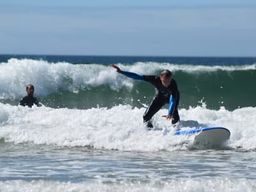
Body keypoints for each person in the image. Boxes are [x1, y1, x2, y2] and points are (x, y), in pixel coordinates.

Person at [112, 64, 180, 128]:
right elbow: (137, 76)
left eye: (169, 81)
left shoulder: (173, 84)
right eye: (165, 81)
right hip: (160, 97)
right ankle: (151, 131)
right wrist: (121, 72)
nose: (167, 83)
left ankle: (175, 130)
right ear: (160, 78)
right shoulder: (155, 79)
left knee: (174, 117)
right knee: (146, 117)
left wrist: (170, 112)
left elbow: (173, 99)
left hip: (172, 98)